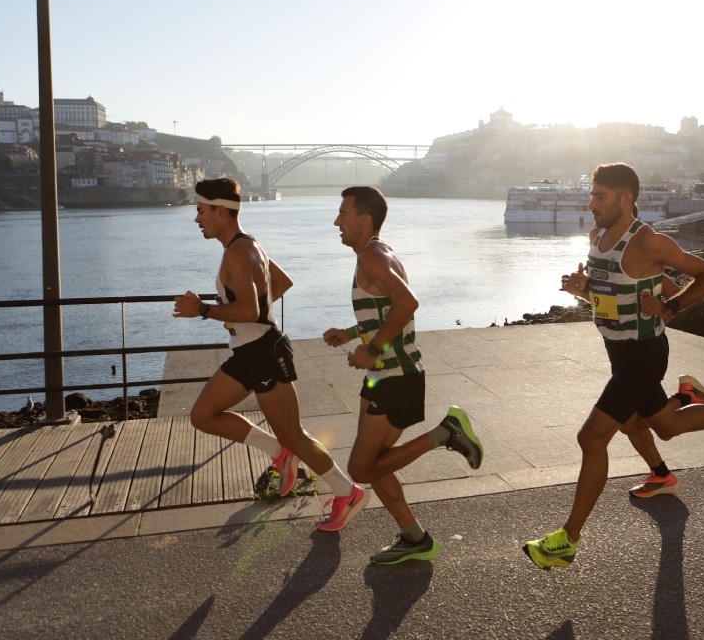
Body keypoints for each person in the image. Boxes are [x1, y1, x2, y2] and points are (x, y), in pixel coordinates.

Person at [522, 163, 704, 570]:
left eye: (599, 196)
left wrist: (670, 306)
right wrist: (582, 290)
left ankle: (567, 539)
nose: (591, 204)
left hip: (643, 354)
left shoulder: (650, 243)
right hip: (619, 351)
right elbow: (609, 297)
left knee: (592, 438)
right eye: (592, 194)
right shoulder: (597, 237)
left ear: (625, 199)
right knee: (667, 427)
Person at [173, 178, 367, 532]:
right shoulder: (249, 245)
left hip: (263, 352)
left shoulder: (237, 251)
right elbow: (280, 284)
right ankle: (280, 453)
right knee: (203, 415)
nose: (197, 218)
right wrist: (246, 318)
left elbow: (249, 310)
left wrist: (203, 310)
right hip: (250, 351)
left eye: (201, 211)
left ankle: (347, 492)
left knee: (294, 434)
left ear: (220, 210)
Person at [323, 186, 484, 565]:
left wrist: (373, 348)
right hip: (388, 376)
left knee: (361, 468)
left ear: (364, 219)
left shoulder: (372, 256)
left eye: (343, 214)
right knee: (378, 465)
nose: (337, 222)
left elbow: (408, 302)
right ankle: (414, 538)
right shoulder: (380, 253)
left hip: (394, 375)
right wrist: (350, 335)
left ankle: (446, 433)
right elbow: (386, 310)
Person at [619, 272, 704, 498]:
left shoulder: (643, 267)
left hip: (645, 353)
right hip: (624, 353)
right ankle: (662, 475)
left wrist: (664, 309)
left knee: (632, 424)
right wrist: (582, 290)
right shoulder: (606, 267)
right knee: (629, 424)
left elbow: (675, 294)